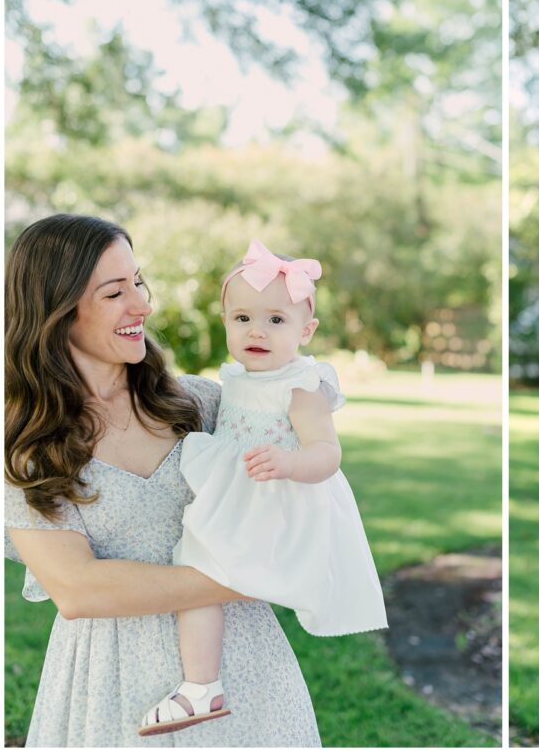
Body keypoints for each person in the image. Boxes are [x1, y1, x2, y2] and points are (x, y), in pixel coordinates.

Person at [4, 214, 321, 746]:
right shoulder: (26, 445)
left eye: (138, 282)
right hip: (110, 686)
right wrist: (256, 575)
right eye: (113, 293)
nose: (143, 306)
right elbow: (77, 589)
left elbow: (302, 493)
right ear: (56, 310)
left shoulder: (203, 404)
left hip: (245, 671)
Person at [139, 239, 387, 735]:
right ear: (226, 322)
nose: (258, 330)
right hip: (239, 495)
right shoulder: (234, 377)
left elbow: (327, 454)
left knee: (196, 569)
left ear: (306, 330)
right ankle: (202, 684)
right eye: (243, 318)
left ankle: (199, 686)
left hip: (276, 499)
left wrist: (290, 463)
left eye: (277, 320)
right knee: (193, 569)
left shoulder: (301, 385)